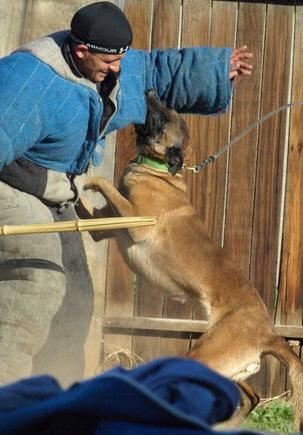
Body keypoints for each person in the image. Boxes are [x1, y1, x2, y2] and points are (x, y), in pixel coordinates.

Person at [0, 1, 253, 387]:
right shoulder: (26, 78)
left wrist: (217, 70)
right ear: (81, 51)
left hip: (56, 193)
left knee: (76, 298)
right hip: (13, 186)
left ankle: (58, 400)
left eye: (121, 59)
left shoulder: (112, 65)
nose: (117, 69)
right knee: (40, 287)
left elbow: (154, 70)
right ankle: (8, 400)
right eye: (109, 61)